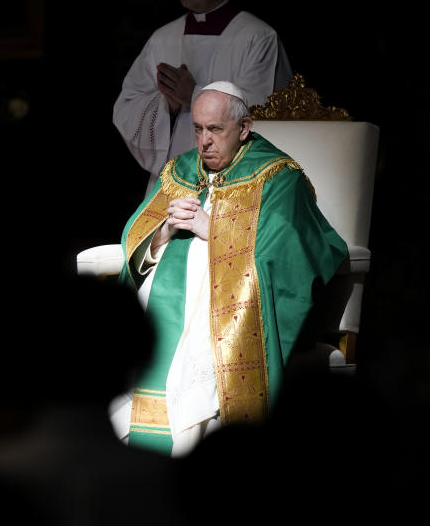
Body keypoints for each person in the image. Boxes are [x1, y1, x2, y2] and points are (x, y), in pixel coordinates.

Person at [109, 81, 347, 457]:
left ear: (244, 128)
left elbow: (290, 251)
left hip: (229, 303)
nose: (204, 142)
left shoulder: (278, 176)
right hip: (164, 302)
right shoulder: (181, 170)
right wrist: (164, 232)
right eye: (198, 129)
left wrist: (215, 231)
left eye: (216, 130)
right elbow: (137, 240)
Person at [113, 0, 293, 196]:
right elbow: (126, 107)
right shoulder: (162, 39)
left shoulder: (258, 38)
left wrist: (195, 96)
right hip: (172, 187)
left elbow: (263, 114)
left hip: (236, 188)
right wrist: (168, 106)